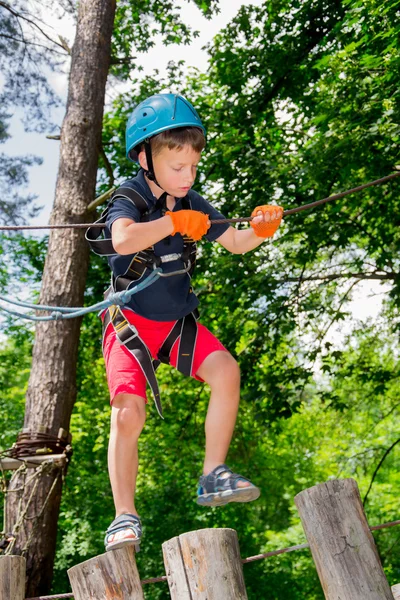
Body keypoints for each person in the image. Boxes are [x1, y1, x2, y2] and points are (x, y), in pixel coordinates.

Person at [87, 93, 283, 552]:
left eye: (193, 167)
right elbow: (122, 239)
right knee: (127, 413)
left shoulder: (190, 199)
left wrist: (261, 227)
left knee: (226, 371)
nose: (187, 177)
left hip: (174, 320)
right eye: (177, 168)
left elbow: (234, 241)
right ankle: (123, 516)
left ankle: (213, 474)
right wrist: (174, 222)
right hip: (130, 322)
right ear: (144, 159)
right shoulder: (128, 196)